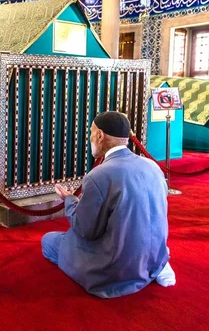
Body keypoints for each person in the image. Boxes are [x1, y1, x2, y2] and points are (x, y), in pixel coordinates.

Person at [41, 111, 176, 298]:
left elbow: (86, 230)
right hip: (152, 254)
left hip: (114, 267)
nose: (89, 138)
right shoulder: (152, 166)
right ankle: (157, 264)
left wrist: (70, 200)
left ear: (100, 135)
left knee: (49, 241)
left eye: (90, 132)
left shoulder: (98, 175)